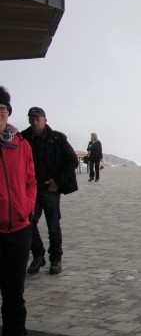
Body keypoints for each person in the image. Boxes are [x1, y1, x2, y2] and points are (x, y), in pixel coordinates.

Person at [0, 86, 43, 336]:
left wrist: (27, 208)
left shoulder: (21, 144)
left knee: (15, 294)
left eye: (2, 111)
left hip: (18, 229)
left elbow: (30, 180)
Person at [21, 107, 78, 275]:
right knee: (28, 222)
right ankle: (38, 255)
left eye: (37, 118)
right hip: (31, 190)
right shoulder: (24, 138)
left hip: (50, 190)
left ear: (45, 120)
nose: (34, 122)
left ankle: (56, 258)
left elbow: (72, 161)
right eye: (31, 119)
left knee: (53, 226)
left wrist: (57, 181)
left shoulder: (57, 138)